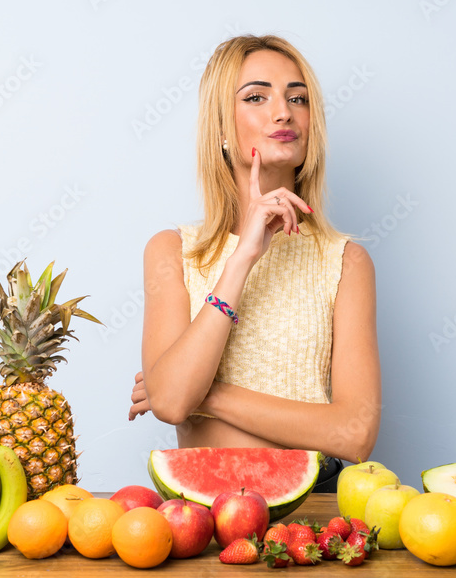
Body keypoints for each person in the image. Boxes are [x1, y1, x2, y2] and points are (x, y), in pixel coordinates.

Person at [128, 34, 381, 492]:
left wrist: (205, 394)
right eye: (256, 97)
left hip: (311, 509)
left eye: (297, 98)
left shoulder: (348, 262)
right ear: (222, 129)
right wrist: (243, 255)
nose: (283, 112)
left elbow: (354, 434)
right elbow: (169, 404)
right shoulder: (170, 251)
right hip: (202, 510)